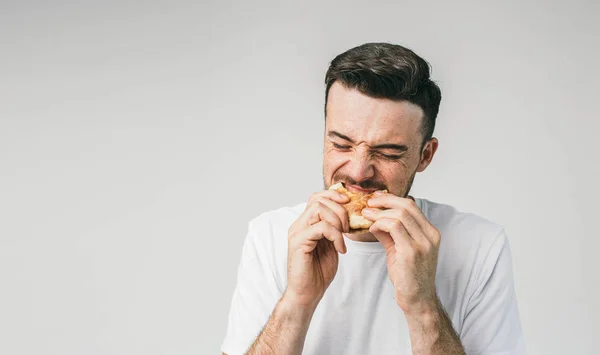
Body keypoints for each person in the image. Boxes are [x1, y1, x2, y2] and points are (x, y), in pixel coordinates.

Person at [221, 42, 526, 355]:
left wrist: (422, 306)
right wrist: (297, 301)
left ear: (425, 156)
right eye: (341, 144)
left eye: (387, 152)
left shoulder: (479, 246)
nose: (358, 171)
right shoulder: (270, 234)